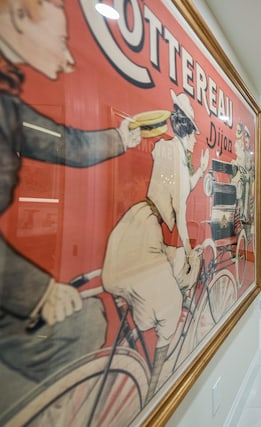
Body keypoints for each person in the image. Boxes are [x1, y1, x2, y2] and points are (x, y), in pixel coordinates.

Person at [0, 0, 141, 415]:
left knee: (88, 318)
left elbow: (66, 143)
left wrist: (120, 137)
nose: (66, 60)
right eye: (62, 41)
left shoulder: (8, 106)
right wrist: (38, 289)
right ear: (21, 16)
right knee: (82, 325)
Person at [102, 89, 209, 401]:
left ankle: (152, 381)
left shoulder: (172, 152)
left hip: (142, 229)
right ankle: (154, 390)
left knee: (166, 292)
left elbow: (182, 188)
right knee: (171, 304)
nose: (193, 143)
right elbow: (181, 205)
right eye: (193, 137)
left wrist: (200, 170)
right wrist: (189, 251)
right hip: (143, 235)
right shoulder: (173, 149)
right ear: (187, 131)